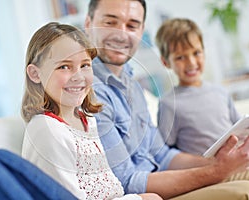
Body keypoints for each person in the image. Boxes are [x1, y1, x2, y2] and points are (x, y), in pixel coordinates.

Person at [84, 0, 249, 199]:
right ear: (88, 23)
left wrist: (219, 163)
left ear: (141, 31)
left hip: (163, 181)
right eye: (110, 22)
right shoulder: (88, 92)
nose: (122, 34)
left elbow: (161, 154)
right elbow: (125, 182)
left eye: (132, 25)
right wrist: (216, 171)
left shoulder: (133, 86)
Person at [21, 22, 162, 200]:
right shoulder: (46, 130)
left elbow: (110, 191)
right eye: (64, 66)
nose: (78, 77)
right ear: (35, 74)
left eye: (85, 65)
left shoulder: (87, 121)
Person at [155, 18, 241, 155]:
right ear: (166, 62)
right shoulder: (169, 104)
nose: (191, 62)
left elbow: (240, 127)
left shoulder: (220, 92)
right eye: (180, 57)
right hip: (207, 170)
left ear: (204, 52)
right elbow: (165, 151)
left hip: (236, 160)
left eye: (196, 53)